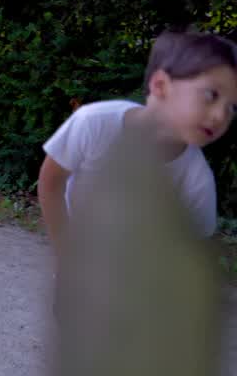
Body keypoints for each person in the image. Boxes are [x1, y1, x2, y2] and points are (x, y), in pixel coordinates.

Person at [38, 29, 237, 270]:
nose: (220, 116)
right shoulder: (94, 123)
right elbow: (51, 182)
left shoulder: (197, 179)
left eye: (232, 108)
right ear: (161, 85)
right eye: (211, 94)